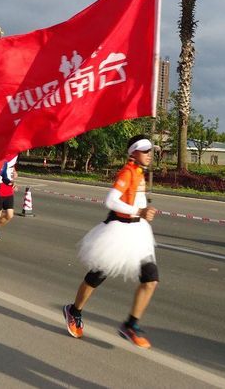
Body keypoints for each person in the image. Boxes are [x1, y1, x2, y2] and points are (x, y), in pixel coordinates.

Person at [63, 135, 159, 349]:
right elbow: (110, 201)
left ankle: (131, 325)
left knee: (151, 280)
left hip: (138, 232)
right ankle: (74, 311)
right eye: (145, 150)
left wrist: (144, 210)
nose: (149, 154)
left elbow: (136, 200)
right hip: (118, 232)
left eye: (150, 150)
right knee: (97, 276)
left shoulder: (140, 173)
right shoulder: (127, 171)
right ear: (133, 153)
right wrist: (139, 210)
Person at [0, 154, 18, 241]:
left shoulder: (14, 155)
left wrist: (14, 172)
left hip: (9, 191)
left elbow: (11, 167)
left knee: (9, 215)